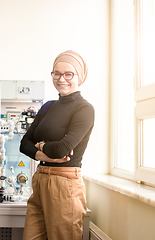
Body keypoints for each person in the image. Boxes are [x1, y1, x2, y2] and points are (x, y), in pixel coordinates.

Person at [20, 50, 94, 240]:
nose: (62, 79)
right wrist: (44, 154)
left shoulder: (84, 109)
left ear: (80, 76)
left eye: (68, 74)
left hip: (65, 183)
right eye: (57, 73)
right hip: (40, 179)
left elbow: (61, 150)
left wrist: (40, 145)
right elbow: (24, 144)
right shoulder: (47, 107)